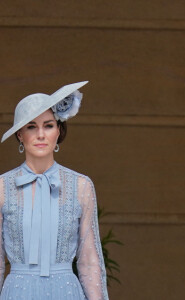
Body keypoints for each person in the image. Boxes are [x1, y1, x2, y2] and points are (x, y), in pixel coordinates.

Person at [0, 81, 109, 299]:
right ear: (20, 134)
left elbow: (89, 261)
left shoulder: (81, 186)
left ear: (58, 131)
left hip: (66, 292)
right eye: (31, 126)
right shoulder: (2, 187)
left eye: (48, 125)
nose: (41, 134)